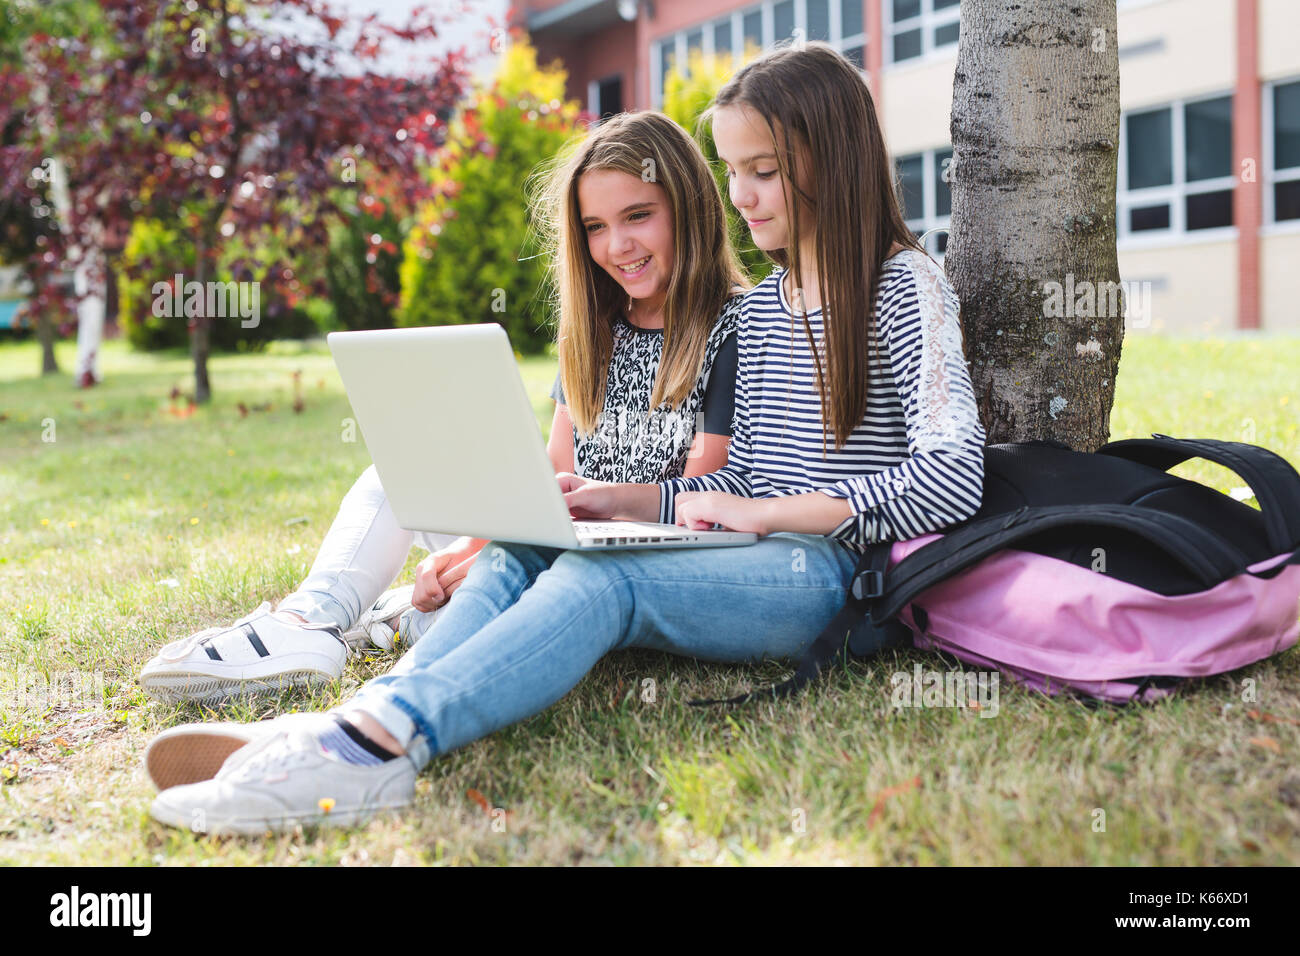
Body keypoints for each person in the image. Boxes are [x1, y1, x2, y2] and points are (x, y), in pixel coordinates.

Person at [146, 44, 987, 835]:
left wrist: (774, 512)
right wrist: (620, 501)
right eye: (735, 173)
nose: (742, 197)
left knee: (600, 578)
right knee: (524, 547)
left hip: (827, 572)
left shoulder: (905, 288)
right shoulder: (766, 308)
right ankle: (363, 715)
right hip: (752, 548)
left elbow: (954, 478)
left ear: (830, 161)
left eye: (763, 172)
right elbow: (733, 488)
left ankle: (375, 747)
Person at [136, 110, 749, 716]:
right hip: (551, 540)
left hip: (614, 565)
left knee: (460, 615)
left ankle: (388, 621)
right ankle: (309, 620)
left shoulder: (732, 326)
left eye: (638, 215)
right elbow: (549, 482)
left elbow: (699, 502)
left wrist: (489, 557)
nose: (617, 246)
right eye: (595, 226)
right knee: (391, 482)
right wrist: (474, 544)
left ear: (688, 209)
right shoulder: (594, 331)